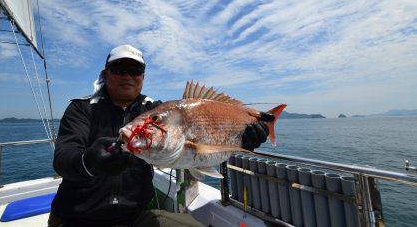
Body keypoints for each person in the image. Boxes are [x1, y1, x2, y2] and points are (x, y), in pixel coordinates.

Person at [48, 44, 272, 226]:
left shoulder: (154, 107)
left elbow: (203, 144)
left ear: (142, 77)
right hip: (76, 219)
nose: (127, 75)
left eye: (135, 70)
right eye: (119, 69)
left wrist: (244, 140)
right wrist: (89, 162)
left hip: (135, 218)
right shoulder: (81, 108)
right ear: (106, 74)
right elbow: (63, 159)